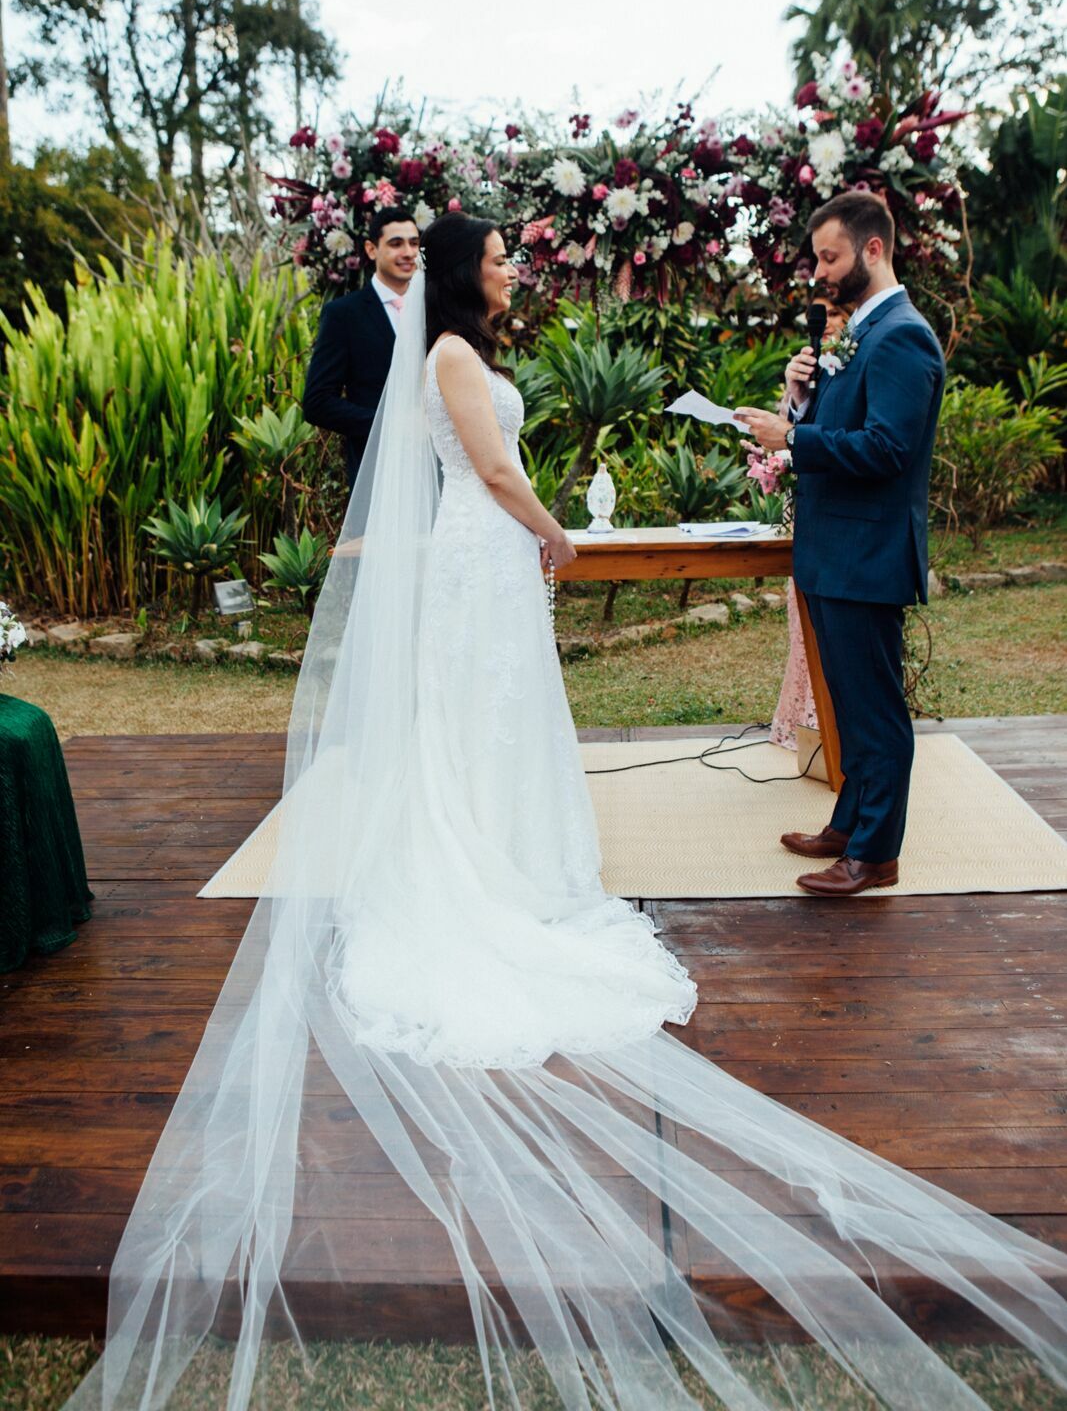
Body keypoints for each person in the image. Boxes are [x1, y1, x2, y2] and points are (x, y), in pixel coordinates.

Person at [64, 214, 1067, 1411]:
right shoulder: (446, 353)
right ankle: (488, 867)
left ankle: (828, 838)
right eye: (499, 255)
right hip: (481, 551)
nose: (511, 266)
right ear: (462, 270)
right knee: (479, 723)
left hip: (510, 558)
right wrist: (553, 531)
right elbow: (492, 471)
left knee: (515, 721)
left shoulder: (483, 348)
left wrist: (600, 502)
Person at [738, 191, 946, 897]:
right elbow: (846, 422)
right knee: (850, 703)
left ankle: (876, 855)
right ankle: (850, 825)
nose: (820, 272)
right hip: (835, 552)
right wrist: (800, 403)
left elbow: (886, 448)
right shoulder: (862, 330)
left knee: (875, 710)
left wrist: (792, 438)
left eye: (829, 257)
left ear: (872, 248)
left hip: (867, 554)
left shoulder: (902, 335)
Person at [768, 296, 850, 751]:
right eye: (822, 317)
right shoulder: (816, 367)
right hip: (810, 519)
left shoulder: (865, 360)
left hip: (850, 527)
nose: (827, 324)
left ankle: (835, 734)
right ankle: (805, 726)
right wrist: (797, 396)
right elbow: (794, 435)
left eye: (835, 314)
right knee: (802, 630)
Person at [302, 204, 420, 490]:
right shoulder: (344, 314)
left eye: (414, 243)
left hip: (435, 471)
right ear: (371, 249)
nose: (408, 252)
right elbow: (317, 403)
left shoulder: (435, 309)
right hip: (378, 473)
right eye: (396, 244)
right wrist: (388, 426)